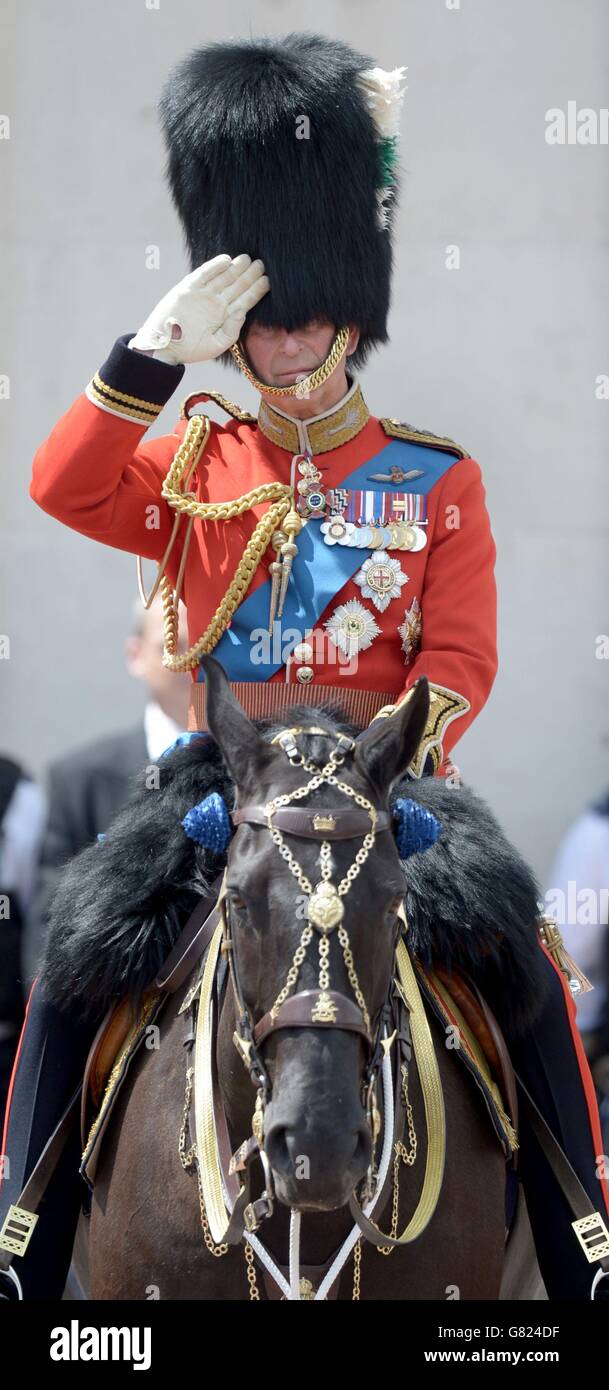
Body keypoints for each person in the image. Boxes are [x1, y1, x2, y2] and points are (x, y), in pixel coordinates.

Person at [1, 32, 607, 1300]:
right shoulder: (194, 466)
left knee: (534, 972)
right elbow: (59, 483)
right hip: (216, 797)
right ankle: (24, 1249)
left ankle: (584, 1252)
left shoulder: (437, 479)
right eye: (263, 325)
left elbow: (460, 659)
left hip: (391, 795)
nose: (284, 346)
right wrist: (152, 353)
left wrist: (382, 767)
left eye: (308, 318)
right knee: (70, 963)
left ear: (355, 311)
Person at [22, 596, 190, 989]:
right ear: (135, 656)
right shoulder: (81, 777)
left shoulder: (258, 771)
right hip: (111, 1008)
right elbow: (51, 924)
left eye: (206, 645)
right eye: (174, 646)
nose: (191, 661)